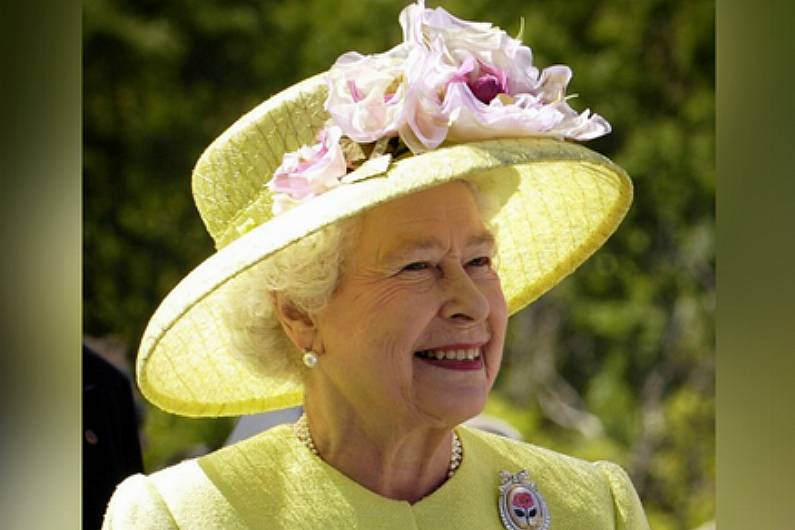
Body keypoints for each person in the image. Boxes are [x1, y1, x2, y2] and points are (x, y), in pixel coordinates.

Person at [103, 2, 649, 528]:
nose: (472, 303)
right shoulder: (186, 517)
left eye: (479, 260)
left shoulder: (591, 509)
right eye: (418, 266)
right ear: (300, 315)